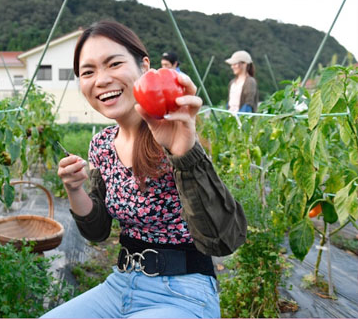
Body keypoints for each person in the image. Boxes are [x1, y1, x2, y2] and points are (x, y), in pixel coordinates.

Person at [42, 20, 247, 319]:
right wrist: (74, 189)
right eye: (88, 72)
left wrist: (185, 153)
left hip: (184, 293)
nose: (101, 80)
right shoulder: (101, 145)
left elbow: (223, 239)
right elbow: (98, 230)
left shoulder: (175, 132)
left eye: (114, 63)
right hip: (121, 284)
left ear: (144, 65)